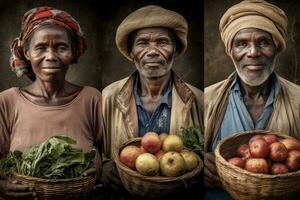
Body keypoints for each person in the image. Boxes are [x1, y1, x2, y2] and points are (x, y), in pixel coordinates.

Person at [102, 5, 204, 200]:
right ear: (131, 52)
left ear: (175, 50)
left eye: (162, 42)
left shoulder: (198, 99)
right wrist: (104, 165)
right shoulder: (109, 97)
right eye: (142, 43)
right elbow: (95, 146)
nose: (152, 52)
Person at [0, 7, 102, 199]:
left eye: (61, 47)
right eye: (41, 47)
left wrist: (98, 172)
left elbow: (112, 157)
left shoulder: (92, 98)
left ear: (73, 53)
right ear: (27, 52)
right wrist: (2, 187)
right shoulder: (7, 102)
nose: (51, 56)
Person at [204, 0, 300, 199]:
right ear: (231, 51)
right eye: (241, 44)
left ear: (276, 48)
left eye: (264, 42)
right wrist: (200, 164)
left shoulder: (298, 99)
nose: (253, 52)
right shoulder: (206, 99)